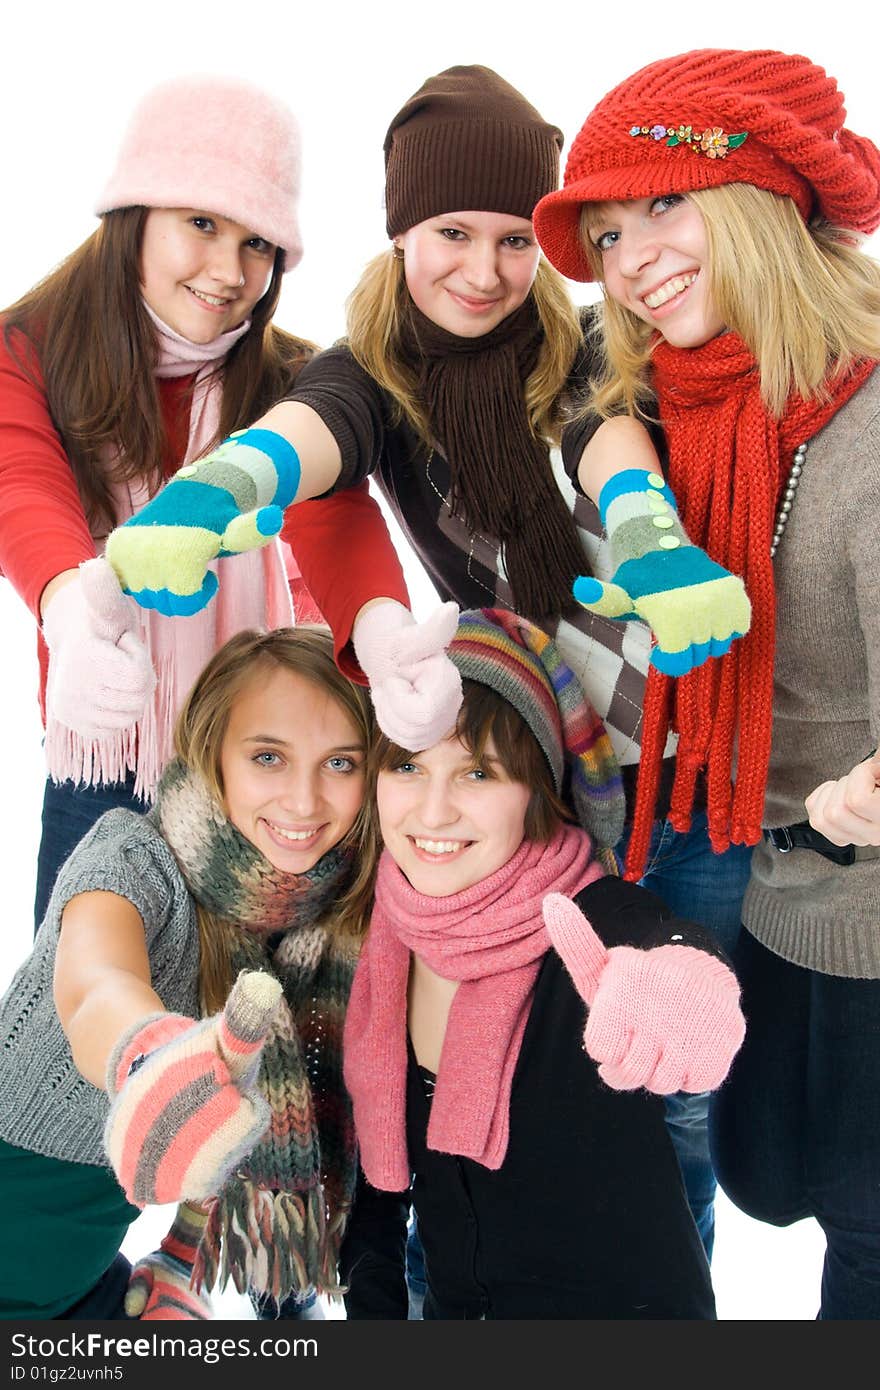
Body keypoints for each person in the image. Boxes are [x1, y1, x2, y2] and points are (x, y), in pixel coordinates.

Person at [103, 63, 754, 1254]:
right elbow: (304, 436)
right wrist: (209, 493)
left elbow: (602, 437)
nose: (484, 269)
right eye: (453, 231)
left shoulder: (589, 341)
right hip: (539, 788)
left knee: (673, 1095)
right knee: (514, 1076)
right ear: (403, 227)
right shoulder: (369, 376)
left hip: (685, 783)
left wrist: (653, 543)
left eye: (515, 238)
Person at [531, 47, 880, 1319]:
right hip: (772, 880)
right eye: (609, 231)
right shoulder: (697, 398)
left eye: (661, 203)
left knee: (860, 1219)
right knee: (759, 1172)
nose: (630, 259)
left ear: (763, 197)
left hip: (867, 918)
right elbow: (539, 373)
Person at [0, 73, 399, 933]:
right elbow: (20, 486)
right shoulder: (26, 351)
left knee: (267, 1019)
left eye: (259, 244)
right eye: (203, 224)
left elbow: (334, 515)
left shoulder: (294, 380)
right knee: (84, 1026)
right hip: (110, 740)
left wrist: (386, 630)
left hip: (269, 752)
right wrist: (72, 616)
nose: (229, 272)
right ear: (133, 215)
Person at [339, 607, 744, 1319]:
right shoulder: (384, 932)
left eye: (478, 772)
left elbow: (667, 949)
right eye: (407, 765)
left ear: (538, 790)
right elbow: (376, 1196)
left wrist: (686, 986)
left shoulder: (588, 918)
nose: (432, 812)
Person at [0, 626, 379, 1320]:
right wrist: (150, 1054)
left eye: (341, 763)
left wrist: (178, 1260)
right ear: (215, 756)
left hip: (84, 1288)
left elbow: (241, 1107)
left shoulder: (324, 909)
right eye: (269, 756)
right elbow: (96, 985)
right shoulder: (132, 858)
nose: (303, 801)